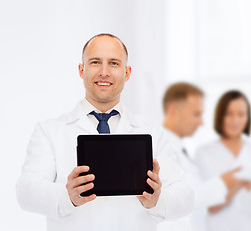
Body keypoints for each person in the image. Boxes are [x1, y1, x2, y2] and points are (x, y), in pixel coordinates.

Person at [16, 33, 194, 231]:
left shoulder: (152, 133)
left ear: (127, 73)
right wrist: (67, 197)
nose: (104, 72)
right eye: (95, 62)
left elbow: (186, 196)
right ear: (81, 70)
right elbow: (25, 191)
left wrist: (157, 200)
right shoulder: (50, 131)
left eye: (114, 63)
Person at [158, 83, 243, 231]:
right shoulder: (160, 148)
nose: (201, 122)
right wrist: (222, 183)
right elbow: (178, 200)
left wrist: (228, 190)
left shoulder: (180, 148)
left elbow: (197, 199)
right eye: (196, 114)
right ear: (173, 112)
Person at [195, 90, 251, 231]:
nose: (235, 120)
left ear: (248, 117)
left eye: (241, 114)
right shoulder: (204, 153)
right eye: (229, 114)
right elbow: (210, 206)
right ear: (220, 116)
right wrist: (238, 184)